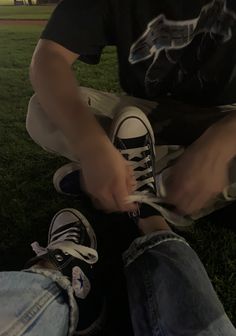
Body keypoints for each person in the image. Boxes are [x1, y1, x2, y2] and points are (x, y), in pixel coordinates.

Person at [1, 114, 236, 336]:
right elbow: (48, 75)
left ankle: (65, 279)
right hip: (178, 113)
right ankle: (149, 211)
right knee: (42, 114)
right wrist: (92, 145)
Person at [26, 0, 236, 222]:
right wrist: (91, 144)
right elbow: (50, 56)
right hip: (143, 115)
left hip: (223, 115)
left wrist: (221, 143)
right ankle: (164, 182)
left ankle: (133, 177)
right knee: (42, 111)